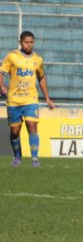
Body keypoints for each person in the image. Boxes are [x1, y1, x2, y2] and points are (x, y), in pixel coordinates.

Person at [1, 31, 55, 167]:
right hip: (14, 100)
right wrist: (1, 86)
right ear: (20, 42)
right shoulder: (12, 56)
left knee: (32, 126)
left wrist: (47, 98)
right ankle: (17, 157)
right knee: (15, 131)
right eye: (26, 42)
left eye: (31, 42)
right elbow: (2, 72)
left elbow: (41, 77)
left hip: (30, 99)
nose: (29, 45)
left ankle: (35, 159)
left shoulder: (38, 59)